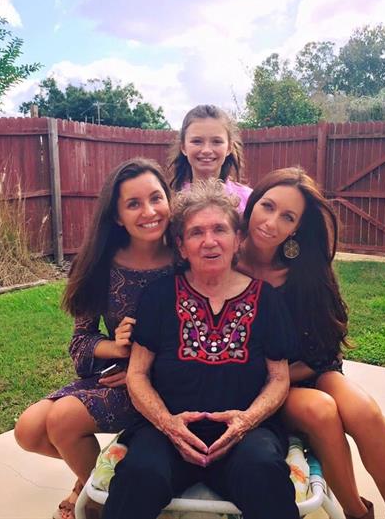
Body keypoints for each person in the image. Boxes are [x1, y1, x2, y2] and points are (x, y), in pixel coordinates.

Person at [101, 179, 298, 519]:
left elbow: (279, 377)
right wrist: (167, 424)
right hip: (167, 432)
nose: (209, 241)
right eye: (196, 232)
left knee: (263, 470)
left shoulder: (267, 300)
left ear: (237, 239)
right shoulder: (159, 296)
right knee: (140, 475)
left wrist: (246, 421)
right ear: (181, 246)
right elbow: (138, 373)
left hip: (245, 435)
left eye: (220, 229)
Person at [238, 167, 385, 519]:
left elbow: (324, 347)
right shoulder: (222, 259)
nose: (272, 222)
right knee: (321, 411)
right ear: (252, 204)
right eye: (267, 206)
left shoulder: (304, 269)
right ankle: (356, 512)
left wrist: (293, 371)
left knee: (365, 413)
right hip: (258, 384)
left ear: (296, 228)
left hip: (311, 367)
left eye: (287, 217)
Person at [14, 158, 174, 519]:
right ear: (117, 216)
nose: (149, 211)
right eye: (133, 204)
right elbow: (81, 340)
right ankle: (98, 477)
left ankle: (98, 500)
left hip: (171, 384)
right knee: (29, 430)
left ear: (169, 199)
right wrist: (116, 347)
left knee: (64, 419)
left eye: (156, 198)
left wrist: (143, 368)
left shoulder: (186, 258)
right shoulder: (98, 263)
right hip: (118, 377)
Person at [167, 104, 252, 211]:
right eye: (197, 141)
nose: (206, 150)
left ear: (229, 147)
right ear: (183, 147)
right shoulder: (169, 201)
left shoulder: (248, 200)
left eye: (216, 141)